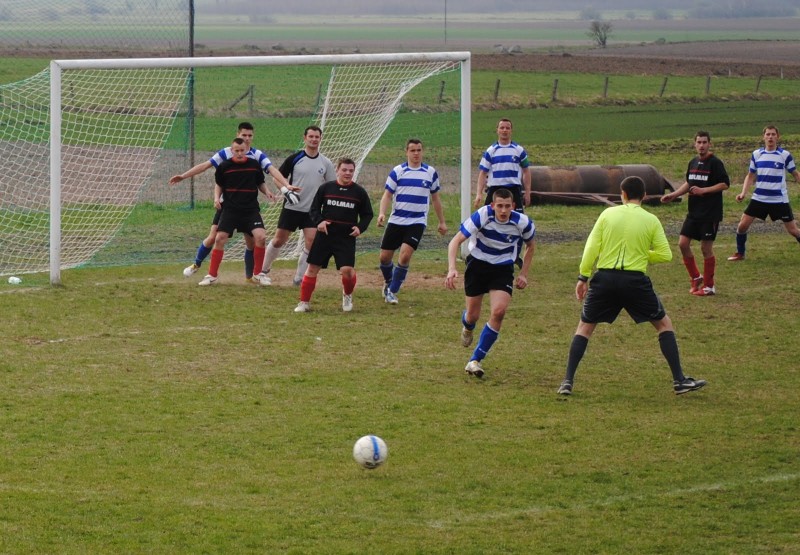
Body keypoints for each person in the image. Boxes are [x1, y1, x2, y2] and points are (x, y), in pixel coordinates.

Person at [557, 176, 707, 396]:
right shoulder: (651, 220)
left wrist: (583, 277)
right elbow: (665, 254)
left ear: (623, 194)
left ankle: (567, 382)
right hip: (635, 281)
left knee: (585, 327)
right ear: (644, 196)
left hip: (604, 279)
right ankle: (679, 380)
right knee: (664, 325)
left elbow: (591, 247)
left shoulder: (607, 214)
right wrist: (641, 254)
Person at [168, 121, 297, 285]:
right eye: (244, 135)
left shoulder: (256, 156)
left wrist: (285, 185)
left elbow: (271, 170)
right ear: (238, 135)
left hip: (248, 206)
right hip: (226, 205)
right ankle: (197, 265)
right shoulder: (226, 153)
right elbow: (206, 166)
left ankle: (251, 276)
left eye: (250, 135)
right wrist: (183, 176)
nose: (247, 138)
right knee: (214, 237)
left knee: (252, 242)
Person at [444, 188, 536, 379]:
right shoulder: (483, 215)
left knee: (499, 312)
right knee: (473, 316)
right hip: (478, 266)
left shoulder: (523, 223)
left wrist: (524, 274)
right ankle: (468, 326)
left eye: (507, 206)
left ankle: (475, 360)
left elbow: (531, 246)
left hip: (502, 269)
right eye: (499, 206)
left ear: (513, 206)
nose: (503, 210)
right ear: (492, 205)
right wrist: (452, 268)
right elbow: (455, 241)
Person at [294, 158, 373, 313]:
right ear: (337, 170)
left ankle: (347, 295)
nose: (347, 173)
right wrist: (320, 222)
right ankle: (304, 303)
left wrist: (360, 228)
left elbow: (367, 214)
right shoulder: (326, 188)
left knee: (347, 271)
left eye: (351, 170)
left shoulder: (359, 192)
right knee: (312, 268)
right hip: (325, 236)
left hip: (346, 237)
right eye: (344, 170)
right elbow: (314, 209)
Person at [260, 125, 336, 286]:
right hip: (292, 207)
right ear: (305, 138)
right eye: (311, 136)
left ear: (320, 139)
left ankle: (299, 278)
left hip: (312, 211)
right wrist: (285, 190)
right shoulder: (294, 158)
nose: (314, 139)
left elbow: (331, 186)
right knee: (279, 240)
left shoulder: (326, 163)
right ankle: (263, 271)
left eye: (317, 137)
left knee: (311, 242)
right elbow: (276, 178)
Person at [377, 138, 447, 304]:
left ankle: (392, 291)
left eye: (419, 150)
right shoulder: (398, 171)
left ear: (422, 151)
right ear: (406, 152)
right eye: (413, 150)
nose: (416, 153)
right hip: (396, 220)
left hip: (417, 221)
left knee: (405, 255)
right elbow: (387, 195)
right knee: (384, 258)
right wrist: (382, 213)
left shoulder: (430, 172)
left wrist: (442, 222)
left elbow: (436, 199)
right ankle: (389, 281)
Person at [661, 130, 730, 296]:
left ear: (709, 144)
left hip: (710, 213)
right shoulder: (692, 162)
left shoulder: (715, 163)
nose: (701, 145)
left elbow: (725, 184)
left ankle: (709, 287)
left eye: (704, 142)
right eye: (699, 142)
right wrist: (674, 194)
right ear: (695, 144)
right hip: (693, 213)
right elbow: (689, 183)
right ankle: (696, 277)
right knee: (682, 244)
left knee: (706, 249)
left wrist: (704, 190)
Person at [197, 138, 271, 286]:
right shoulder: (224, 166)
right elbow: (219, 185)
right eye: (236, 151)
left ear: (246, 150)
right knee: (219, 238)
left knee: (261, 237)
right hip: (230, 210)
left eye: (242, 150)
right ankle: (212, 275)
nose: (239, 153)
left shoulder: (254, 165)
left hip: (250, 210)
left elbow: (260, 183)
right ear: (232, 151)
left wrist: (267, 192)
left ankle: (258, 274)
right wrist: (216, 198)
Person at [727, 125, 800, 261]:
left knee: (793, 230)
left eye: (773, 134)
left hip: (779, 200)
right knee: (742, 226)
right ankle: (740, 254)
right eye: (768, 134)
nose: (770, 137)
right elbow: (750, 175)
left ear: (778, 137)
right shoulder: (757, 154)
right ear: (763, 137)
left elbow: (795, 174)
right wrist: (743, 193)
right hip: (759, 198)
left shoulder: (785, 155)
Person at [473, 118, 532, 212]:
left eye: (507, 128)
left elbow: (526, 171)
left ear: (511, 131)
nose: (504, 130)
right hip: (495, 189)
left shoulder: (519, 150)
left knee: (516, 218)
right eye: (502, 128)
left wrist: (528, 192)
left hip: (514, 189)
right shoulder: (490, 151)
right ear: (497, 130)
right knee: (489, 216)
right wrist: (479, 194)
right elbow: (483, 173)